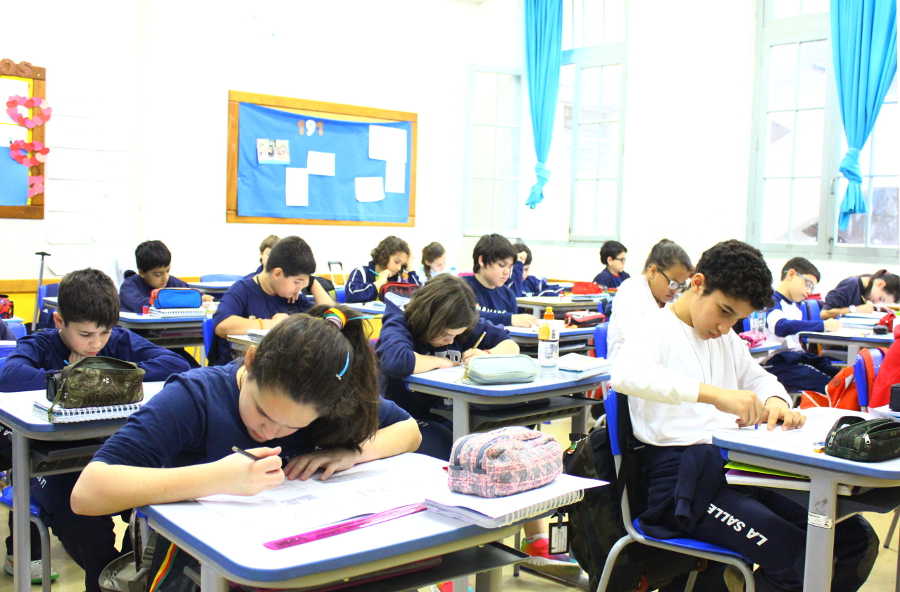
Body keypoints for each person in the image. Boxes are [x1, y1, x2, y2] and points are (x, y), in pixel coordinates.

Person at [69, 307, 421, 587]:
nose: (271, 432)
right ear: (250, 361)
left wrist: (351, 453)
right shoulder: (195, 398)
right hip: (197, 565)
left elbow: (409, 430)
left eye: (294, 426)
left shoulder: (325, 398)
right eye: (263, 412)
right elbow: (87, 493)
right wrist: (218, 479)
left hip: (295, 557)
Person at [612, 240, 878, 592]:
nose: (726, 327)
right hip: (681, 484)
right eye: (724, 311)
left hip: (736, 470)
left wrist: (776, 401)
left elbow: (759, 378)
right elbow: (626, 375)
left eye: (736, 319)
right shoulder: (654, 328)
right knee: (798, 559)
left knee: (855, 539)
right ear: (697, 283)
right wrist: (717, 395)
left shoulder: (723, 338)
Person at [0, 268, 192, 592]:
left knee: (159, 506)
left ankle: (131, 573)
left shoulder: (116, 340)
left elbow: (177, 364)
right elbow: (9, 375)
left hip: (109, 455)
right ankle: (111, 580)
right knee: (83, 522)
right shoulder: (42, 343)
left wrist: (107, 377)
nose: (97, 343)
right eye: (86, 334)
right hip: (52, 465)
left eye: (104, 333)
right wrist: (70, 378)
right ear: (60, 321)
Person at [375, 275, 579, 578]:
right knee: (457, 453)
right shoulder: (400, 319)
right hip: (408, 422)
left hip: (455, 415)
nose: (450, 341)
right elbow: (396, 360)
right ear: (430, 318)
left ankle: (535, 541)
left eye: (456, 335)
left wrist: (487, 354)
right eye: (445, 334)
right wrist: (444, 363)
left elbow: (509, 343)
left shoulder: (462, 323)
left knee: (508, 451)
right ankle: (442, 557)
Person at [212, 236, 334, 364]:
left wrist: (313, 283)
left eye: (304, 282)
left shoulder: (293, 297)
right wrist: (274, 324)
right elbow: (222, 325)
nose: (300, 288)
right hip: (240, 370)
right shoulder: (243, 290)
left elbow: (333, 318)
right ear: (277, 274)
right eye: (297, 282)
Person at [761, 258, 841, 393]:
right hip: (774, 363)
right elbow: (781, 326)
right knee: (829, 386)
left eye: (812, 288)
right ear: (791, 275)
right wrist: (823, 325)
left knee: (836, 373)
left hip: (794, 357)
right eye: (808, 284)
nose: (809, 291)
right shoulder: (771, 302)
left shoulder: (796, 307)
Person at [606, 239, 692, 360]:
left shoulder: (672, 297)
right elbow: (633, 334)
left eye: (680, 285)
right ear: (653, 271)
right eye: (673, 283)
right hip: (629, 363)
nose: (675, 290)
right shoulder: (632, 288)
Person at [461, 234, 539, 328]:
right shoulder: (462, 288)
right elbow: (467, 317)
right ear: (482, 260)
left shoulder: (508, 295)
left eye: (510, 267)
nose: (507, 272)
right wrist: (509, 319)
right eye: (501, 265)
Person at [119, 240, 213, 313]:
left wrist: (203, 298)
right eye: (158, 274)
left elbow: (190, 293)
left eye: (167, 271)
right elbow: (139, 305)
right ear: (142, 272)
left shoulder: (173, 282)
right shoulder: (129, 286)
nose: (165, 278)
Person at [346, 236, 421, 302]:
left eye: (402, 264)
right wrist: (379, 282)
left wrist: (410, 266)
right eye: (396, 262)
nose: (399, 268)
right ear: (383, 255)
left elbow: (419, 297)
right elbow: (351, 296)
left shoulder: (397, 279)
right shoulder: (361, 272)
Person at [820, 270, 900, 320]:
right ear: (880, 284)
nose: (875, 302)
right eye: (881, 299)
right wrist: (854, 310)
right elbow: (824, 314)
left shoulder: (865, 289)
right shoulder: (850, 284)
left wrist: (877, 309)